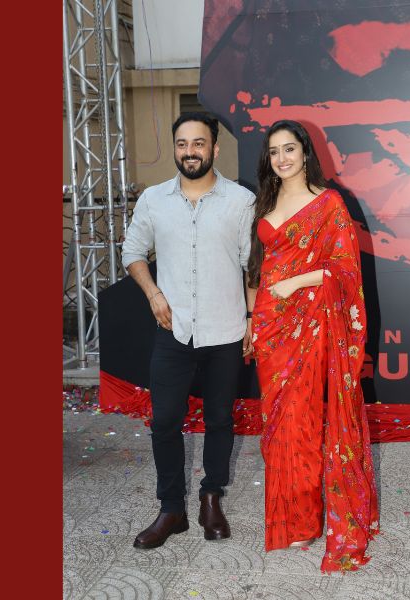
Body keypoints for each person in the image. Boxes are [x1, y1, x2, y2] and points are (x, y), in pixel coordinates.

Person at [246, 120, 380, 572]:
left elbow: (345, 271)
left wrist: (296, 283)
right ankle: (285, 519)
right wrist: (253, 316)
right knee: (278, 424)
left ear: (305, 153)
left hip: (310, 324)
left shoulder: (329, 204)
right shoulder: (266, 201)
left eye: (289, 149)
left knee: (303, 419)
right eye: (274, 151)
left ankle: (304, 523)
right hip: (270, 326)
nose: (281, 158)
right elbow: (258, 267)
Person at [121, 112, 255, 550]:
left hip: (225, 329)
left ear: (214, 148)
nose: (190, 151)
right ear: (175, 149)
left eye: (199, 143)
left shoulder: (241, 201)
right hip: (173, 330)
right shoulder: (153, 200)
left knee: (219, 419)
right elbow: (132, 251)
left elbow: (251, 265)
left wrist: (252, 318)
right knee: (164, 422)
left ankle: (211, 498)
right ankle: (171, 508)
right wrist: (153, 294)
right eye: (182, 144)